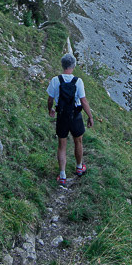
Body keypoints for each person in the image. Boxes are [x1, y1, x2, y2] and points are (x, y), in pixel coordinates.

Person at [47, 53, 94, 185]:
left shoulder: (55, 80)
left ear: (62, 65)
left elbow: (50, 99)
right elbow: (83, 101)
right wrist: (90, 116)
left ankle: (62, 175)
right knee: (78, 142)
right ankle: (79, 167)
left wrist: (50, 109)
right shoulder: (78, 81)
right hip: (75, 116)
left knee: (62, 145)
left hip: (62, 116)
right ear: (73, 66)